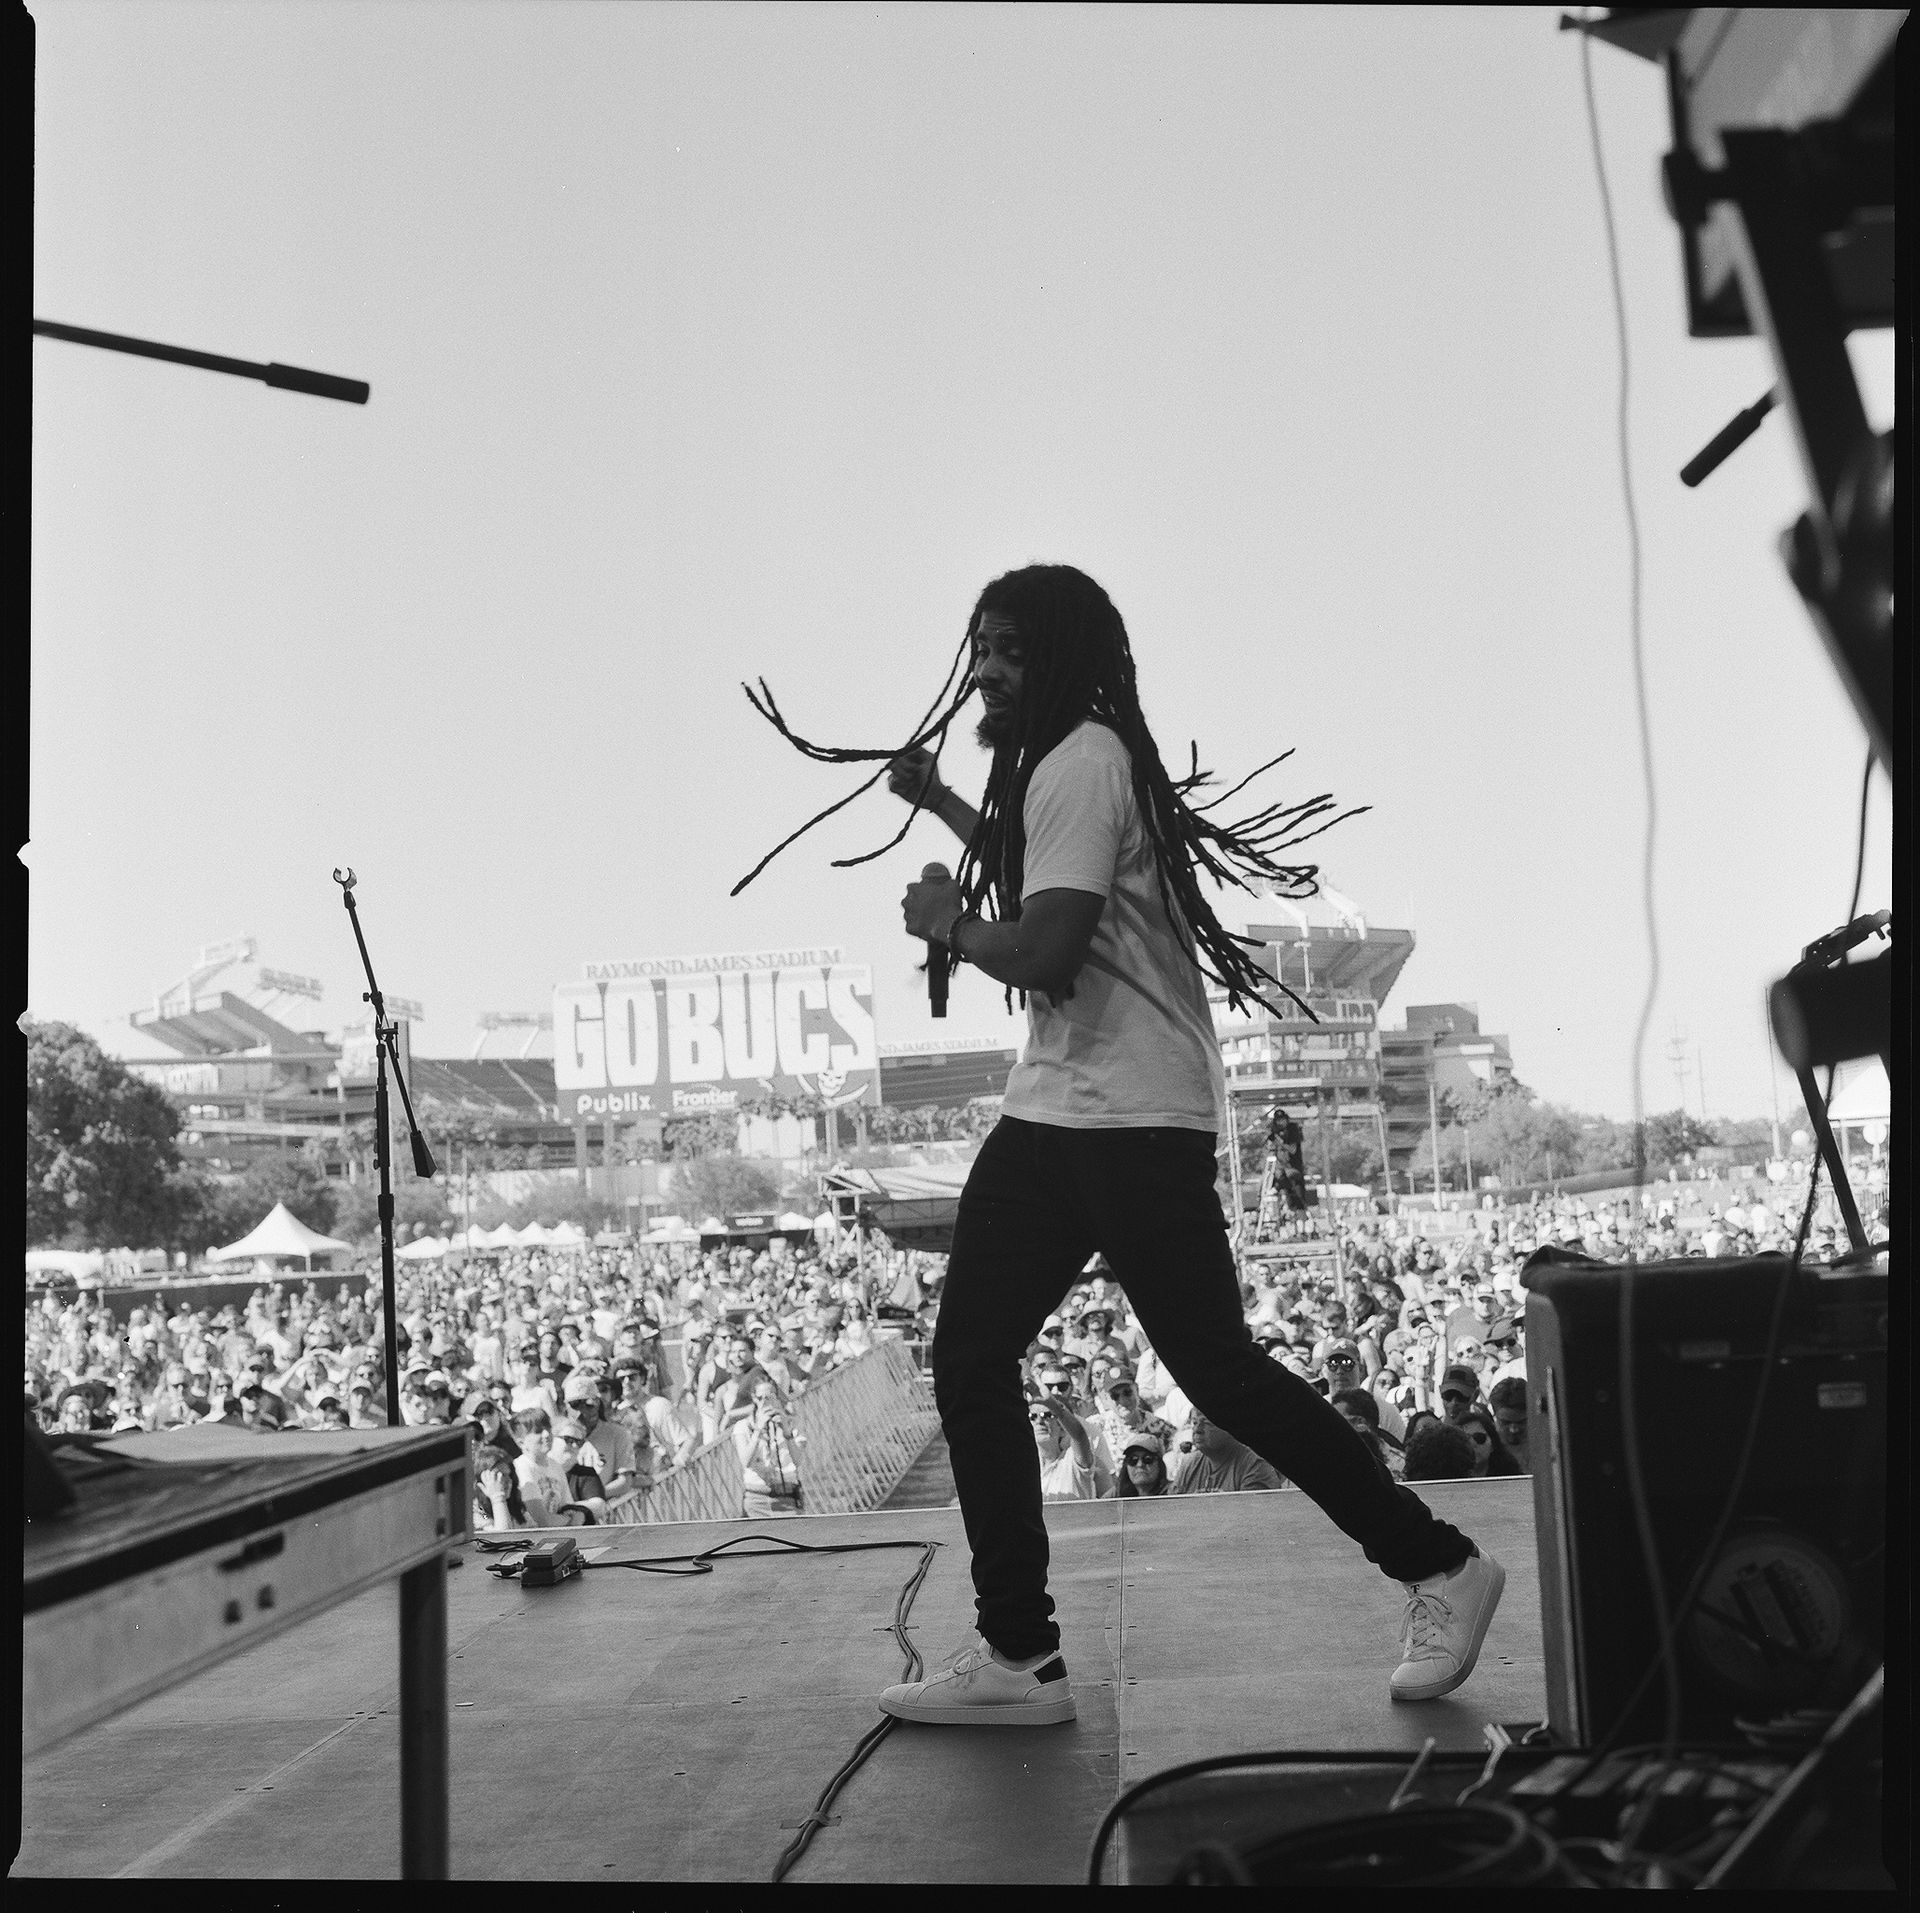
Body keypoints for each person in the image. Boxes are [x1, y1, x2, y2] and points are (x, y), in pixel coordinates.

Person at [829, 567, 1502, 1726]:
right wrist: (941, 801)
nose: (983, 667)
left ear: (1061, 658)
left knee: (1214, 1371)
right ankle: (1019, 1652)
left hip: (1124, 1119)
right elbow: (1040, 857)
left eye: (1008, 649)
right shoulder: (1067, 768)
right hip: (1066, 1112)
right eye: (977, 645)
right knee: (974, 1354)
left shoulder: (1082, 759)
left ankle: (1438, 1562)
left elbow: (1046, 945)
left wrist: (950, 923)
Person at [1170, 1411, 1286, 1495]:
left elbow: (1251, 1521)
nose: (1197, 1430)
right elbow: (1172, 1512)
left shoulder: (1254, 1465)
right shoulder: (1188, 1464)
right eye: (1195, 1423)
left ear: (1230, 1427)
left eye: (1207, 1423)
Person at [1104, 1430, 1172, 1498]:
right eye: (1133, 1460)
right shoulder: (1116, 1494)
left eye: (1147, 1459)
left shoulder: (1173, 1494)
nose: (1140, 1465)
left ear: (1159, 1464)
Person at [1488, 1377, 1530, 1473]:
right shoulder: (1484, 1449)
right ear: (1495, 1416)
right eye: (1505, 1423)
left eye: (1521, 1422)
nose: (1513, 1429)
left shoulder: (1548, 1444)